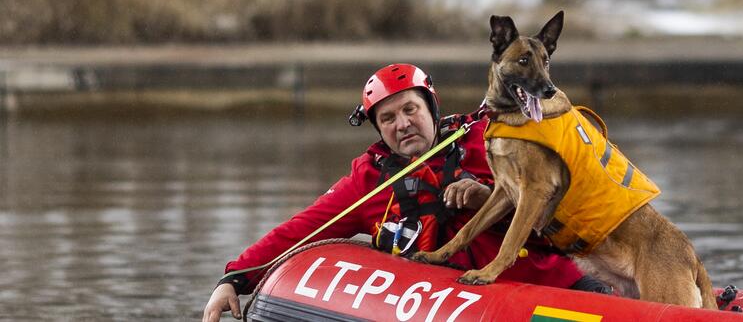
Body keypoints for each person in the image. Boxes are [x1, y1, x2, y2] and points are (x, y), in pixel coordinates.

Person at [203, 63, 609, 322]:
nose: (403, 124)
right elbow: (302, 229)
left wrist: (487, 196)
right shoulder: (369, 182)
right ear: (379, 130)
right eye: (388, 118)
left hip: (556, 287)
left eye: (410, 109)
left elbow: (560, 198)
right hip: (459, 306)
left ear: (431, 108)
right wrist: (235, 278)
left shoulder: (490, 139)